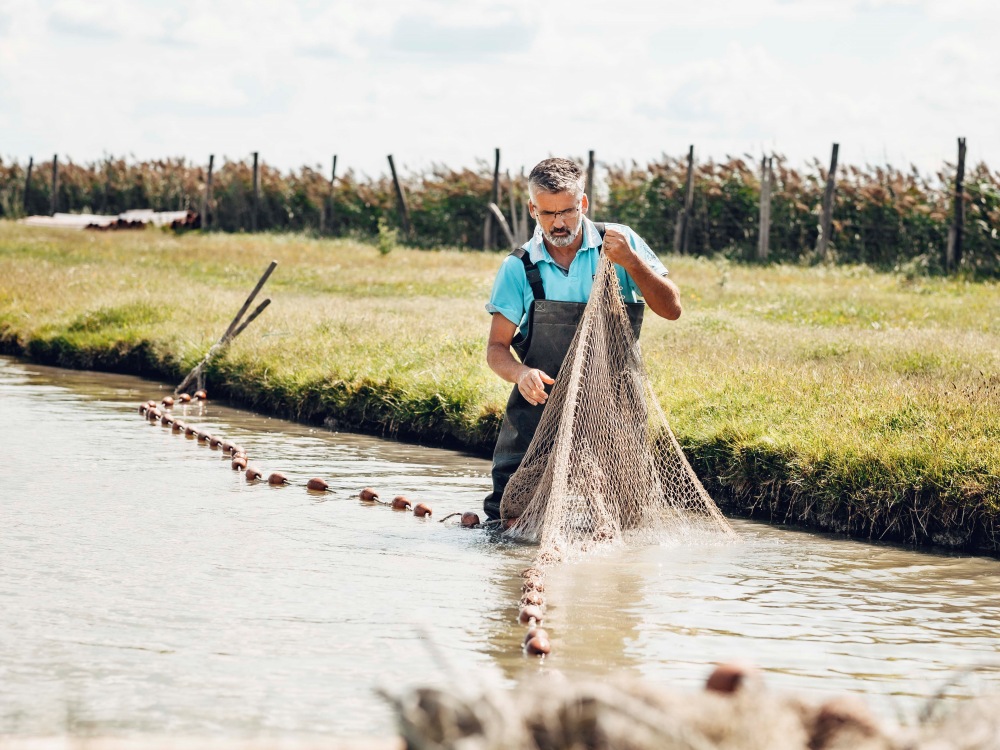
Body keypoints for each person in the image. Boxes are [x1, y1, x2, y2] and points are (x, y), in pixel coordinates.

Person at [483, 157, 683, 522]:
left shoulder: (621, 243)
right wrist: (519, 373)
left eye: (567, 211)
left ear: (583, 204)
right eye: (547, 213)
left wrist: (632, 263)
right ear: (532, 208)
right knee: (511, 517)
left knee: (628, 516)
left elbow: (671, 309)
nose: (558, 222)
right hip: (539, 409)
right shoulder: (519, 267)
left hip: (615, 405)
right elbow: (496, 349)